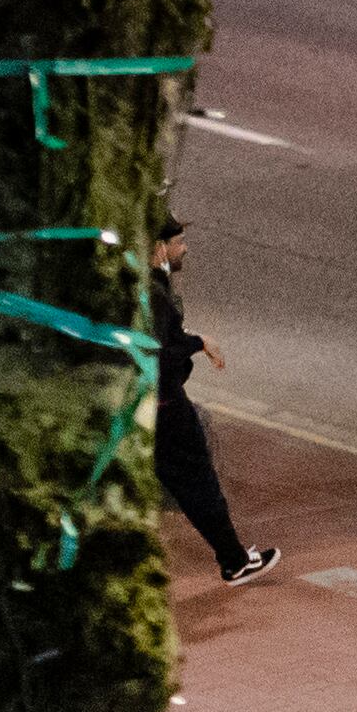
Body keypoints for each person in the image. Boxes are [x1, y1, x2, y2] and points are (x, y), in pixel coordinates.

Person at [147, 214, 276, 585]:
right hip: (166, 409)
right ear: (160, 248)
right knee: (198, 482)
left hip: (145, 406)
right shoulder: (154, 293)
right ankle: (234, 561)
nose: (184, 248)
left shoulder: (143, 285)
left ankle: (233, 557)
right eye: (179, 242)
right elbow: (160, 352)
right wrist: (198, 343)